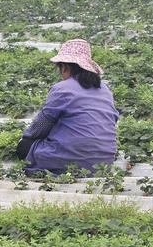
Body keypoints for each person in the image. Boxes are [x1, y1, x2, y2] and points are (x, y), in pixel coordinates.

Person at [16, 39, 119, 175]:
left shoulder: (62, 89)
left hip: (71, 158)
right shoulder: (105, 89)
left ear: (64, 67)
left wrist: (25, 139)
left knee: (24, 147)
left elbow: (40, 127)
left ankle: (56, 167)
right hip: (103, 163)